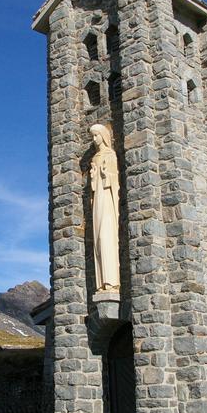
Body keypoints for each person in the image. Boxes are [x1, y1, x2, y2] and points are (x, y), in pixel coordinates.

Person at [89, 124, 120, 292]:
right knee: (98, 238)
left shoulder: (111, 155)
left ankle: (111, 280)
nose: (94, 140)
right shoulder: (94, 158)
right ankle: (101, 282)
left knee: (106, 237)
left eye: (96, 136)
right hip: (98, 202)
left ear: (103, 135)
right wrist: (94, 177)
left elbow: (113, 183)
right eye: (92, 137)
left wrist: (106, 175)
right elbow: (94, 187)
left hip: (108, 201)